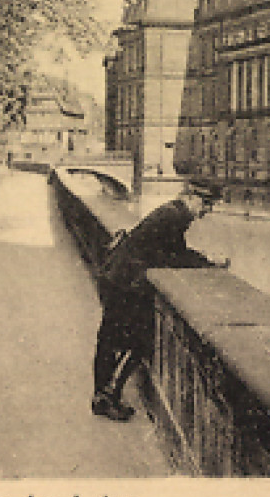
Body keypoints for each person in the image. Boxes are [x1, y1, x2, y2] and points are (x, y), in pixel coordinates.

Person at [91, 180, 223, 421]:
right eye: (206, 204)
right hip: (126, 282)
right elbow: (177, 256)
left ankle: (103, 395)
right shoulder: (176, 217)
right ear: (191, 197)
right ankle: (107, 396)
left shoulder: (172, 211)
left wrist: (207, 260)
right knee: (137, 341)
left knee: (109, 337)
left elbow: (174, 251)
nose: (207, 210)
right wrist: (209, 263)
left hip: (117, 276)